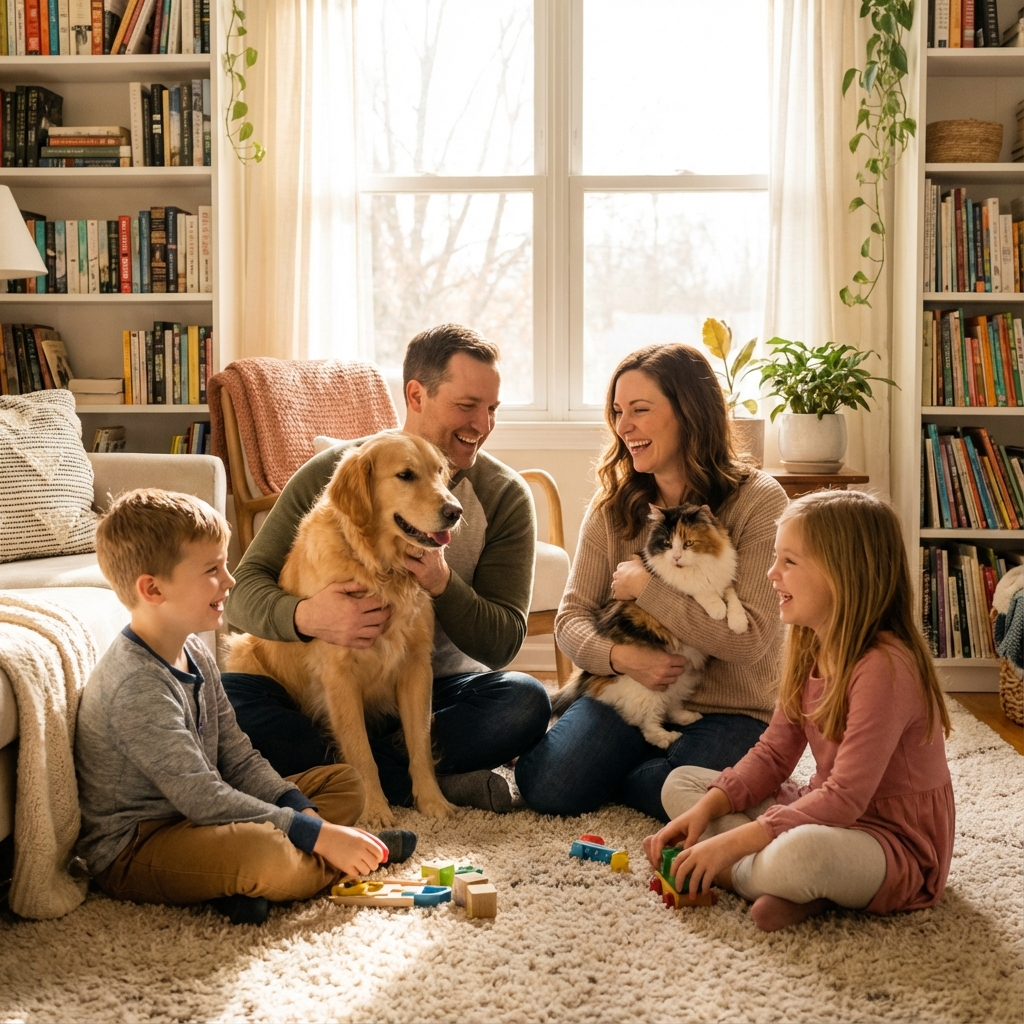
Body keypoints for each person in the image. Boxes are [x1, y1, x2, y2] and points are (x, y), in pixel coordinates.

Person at [222, 324, 551, 814]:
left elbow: (503, 643)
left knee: (526, 702)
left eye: (492, 409)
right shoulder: (340, 470)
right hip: (310, 695)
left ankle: (355, 775)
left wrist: (440, 582)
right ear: (416, 394)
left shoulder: (505, 496)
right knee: (221, 699)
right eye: (467, 406)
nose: (482, 424)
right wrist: (309, 617)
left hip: (433, 697)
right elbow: (241, 595)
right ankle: (405, 778)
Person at [75, 489, 402, 927]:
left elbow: (237, 755)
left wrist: (301, 812)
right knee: (266, 854)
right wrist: (318, 834)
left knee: (345, 782)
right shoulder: (136, 686)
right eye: (212, 570)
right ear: (152, 589)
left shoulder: (195, 649)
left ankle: (242, 885)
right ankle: (301, 867)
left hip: (201, 817)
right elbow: (205, 799)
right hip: (140, 845)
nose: (230, 580)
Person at [645, 490, 955, 932]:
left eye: (788, 562)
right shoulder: (811, 644)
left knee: (802, 853)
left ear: (843, 574)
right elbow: (773, 754)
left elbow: (846, 799)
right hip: (824, 811)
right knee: (682, 784)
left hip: (892, 842)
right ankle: (789, 885)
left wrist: (728, 845)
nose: (771, 574)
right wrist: (708, 810)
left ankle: (762, 874)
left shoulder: (886, 668)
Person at [516, 344, 788, 819]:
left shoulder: (758, 501)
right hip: (632, 690)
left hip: (733, 709)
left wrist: (651, 591)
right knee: (550, 786)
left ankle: (630, 773)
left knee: (680, 793)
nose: (624, 427)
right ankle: (633, 764)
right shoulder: (612, 507)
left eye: (640, 410)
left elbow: (755, 642)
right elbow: (571, 619)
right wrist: (622, 658)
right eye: (618, 413)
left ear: (690, 413)